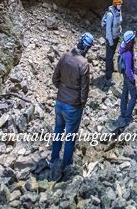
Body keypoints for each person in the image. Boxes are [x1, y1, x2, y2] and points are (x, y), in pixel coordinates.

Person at [50, 32, 93, 178]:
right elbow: (84, 89)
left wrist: (62, 90)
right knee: (70, 136)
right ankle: (66, 166)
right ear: (87, 48)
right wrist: (81, 103)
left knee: (58, 130)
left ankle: (53, 160)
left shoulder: (64, 57)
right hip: (73, 106)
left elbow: (55, 78)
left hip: (60, 101)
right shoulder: (84, 64)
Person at [116, 30, 137, 128]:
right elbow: (129, 70)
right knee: (134, 96)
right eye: (133, 40)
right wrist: (132, 79)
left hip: (124, 75)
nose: (134, 41)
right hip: (128, 76)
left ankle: (123, 112)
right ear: (130, 42)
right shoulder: (128, 53)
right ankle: (127, 116)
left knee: (124, 93)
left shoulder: (123, 47)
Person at [102, 0, 123, 85]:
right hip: (111, 38)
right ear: (115, 4)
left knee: (112, 55)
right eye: (119, 4)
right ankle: (108, 77)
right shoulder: (110, 15)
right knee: (109, 57)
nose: (120, 6)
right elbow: (108, 30)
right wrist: (110, 41)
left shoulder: (118, 12)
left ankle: (111, 68)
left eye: (121, 4)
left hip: (116, 37)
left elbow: (119, 23)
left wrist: (120, 31)